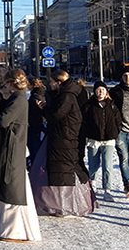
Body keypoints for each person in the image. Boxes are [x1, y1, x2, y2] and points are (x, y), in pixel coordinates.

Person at [0, 67, 41, 242]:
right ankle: (6, 227)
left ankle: (14, 231)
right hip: (10, 144)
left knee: (11, 185)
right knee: (6, 183)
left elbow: (4, 120)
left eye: (6, 84)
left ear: (12, 83)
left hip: (14, 145)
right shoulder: (16, 97)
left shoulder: (18, 99)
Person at [30, 70, 95, 217]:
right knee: (63, 168)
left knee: (64, 169)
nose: (50, 85)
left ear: (59, 83)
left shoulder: (67, 96)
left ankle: (65, 205)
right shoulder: (67, 94)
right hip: (65, 136)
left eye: (52, 82)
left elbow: (56, 115)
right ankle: (62, 205)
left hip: (65, 137)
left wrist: (44, 108)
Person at [82, 81, 122, 202]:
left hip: (108, 140)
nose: (101, 92)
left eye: (103, 90)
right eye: (98, 90)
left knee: (107, 165)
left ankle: (107, 190)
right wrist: (88, 133)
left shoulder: (112, 105)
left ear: (106, 92)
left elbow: (118, 121)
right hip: (93, 140)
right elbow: (84, 121)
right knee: (93, 164)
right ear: (94, 91)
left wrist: (115, 132)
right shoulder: (89, 105)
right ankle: (92, 184)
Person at [26, 77, 48, 168]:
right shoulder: (42, 93)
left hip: (35, 124)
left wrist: (28, 121)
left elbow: (34, 112)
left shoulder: (35, 96)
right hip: (40, 123)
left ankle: (34, 165)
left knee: (34, 147)